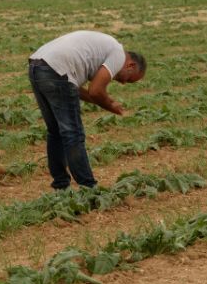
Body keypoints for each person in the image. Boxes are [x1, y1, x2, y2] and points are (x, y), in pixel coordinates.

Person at [28, 31, 146, 190]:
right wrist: (109, 105)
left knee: (55, 131)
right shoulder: (118, 54)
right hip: (57, 69)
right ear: (130, 65)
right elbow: (96, 91)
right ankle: (88, 187)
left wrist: (105, 100)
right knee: (73, 134)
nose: (124, 83)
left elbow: (73, 88)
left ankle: (61, 185)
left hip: (37, 65)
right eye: (129, 79)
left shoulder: (105, 48)